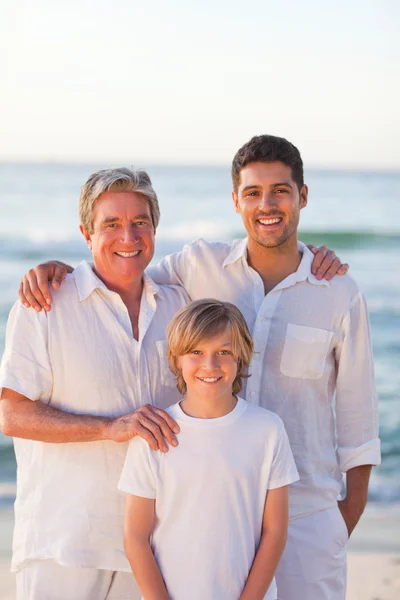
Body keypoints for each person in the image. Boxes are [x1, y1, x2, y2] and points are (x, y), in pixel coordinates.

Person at [16, 135, 366, 600]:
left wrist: (339, 527)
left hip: (287, 521)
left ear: (302, 196)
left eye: (281, 191)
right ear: (235, 201)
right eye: (253, 192)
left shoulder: (332, 290)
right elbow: (121, 269)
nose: (267, 204)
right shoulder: (193, 268)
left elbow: (360, 428)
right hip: (146, 534)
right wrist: (61, 271)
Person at [0, 168, 189, 600]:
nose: (129, 236)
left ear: (155, 229)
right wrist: (109, 428)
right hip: (65, 545)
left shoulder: (180, 306)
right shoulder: (44, 304)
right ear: (87, 234)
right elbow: (11, 415)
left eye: (140, 222)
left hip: (154, 549)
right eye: (111, 224)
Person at [119, 299, 299, 600]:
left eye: (224, 352)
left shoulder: (268, 430)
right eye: (196, 352)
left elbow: (275, 532)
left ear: (241, 356)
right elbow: (135, 538)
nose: (210, 365)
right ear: (177, 359)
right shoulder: (153, 435)